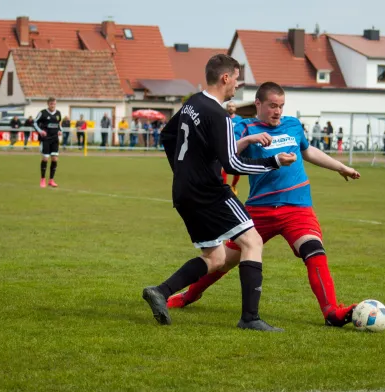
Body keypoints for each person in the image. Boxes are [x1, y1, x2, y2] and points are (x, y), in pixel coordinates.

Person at [167, 82, 361, 327]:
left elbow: (308, 150)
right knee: (224, 260)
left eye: (281, 106)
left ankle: (332, 312)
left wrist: (341, 167)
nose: (277, 111)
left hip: (297, 207)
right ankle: (188, 296)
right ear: (258, 104)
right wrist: (248, 139)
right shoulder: (242, 126)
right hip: (259, 210)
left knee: (314, 251)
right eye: (272, 106)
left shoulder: (292, 125)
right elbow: (226, 155)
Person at [142, 55, 296, 332]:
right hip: (210, 192)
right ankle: (250, 318)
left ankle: (160, 291)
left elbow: (168, 137)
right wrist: (273, 162)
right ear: (225, 78)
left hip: (184, 192)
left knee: (216, 258)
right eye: (237, 78)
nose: (237, 85)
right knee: (253, 242)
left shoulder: (192, 103)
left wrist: (182, 171)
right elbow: (232, 164)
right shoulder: (219, 114)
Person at [33, 97, 62, 188]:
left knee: (54, 159)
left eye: (54, 104)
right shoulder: (43, 113)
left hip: (55, 139)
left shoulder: (58, 113)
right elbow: (34, 123)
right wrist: (40, 131)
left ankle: (51, 180)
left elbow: (59, 125)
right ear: (48, 104)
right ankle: (42, 180)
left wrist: (60, 130)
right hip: (45, 139)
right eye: (51, 104)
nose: (53, 105)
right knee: (45, 158)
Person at [221, 101, 244, 194]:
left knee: (236, 168)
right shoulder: (223, 117)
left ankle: (233, 185)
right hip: (225, 145)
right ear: (227, 107)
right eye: (229, 106)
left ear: (235, 108)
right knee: (224, 167)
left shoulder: (239, 119)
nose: (231, 108)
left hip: (237, 146)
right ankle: (224, 188)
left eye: (232, 106)